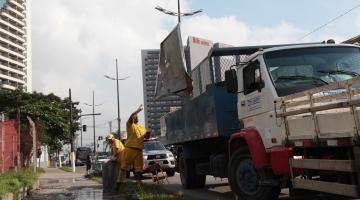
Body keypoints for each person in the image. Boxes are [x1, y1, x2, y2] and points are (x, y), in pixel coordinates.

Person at [119, 104, 150, 186]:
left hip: (139, 150)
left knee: (138, 169)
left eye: (137, 116)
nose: (136, 117)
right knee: (124, 166)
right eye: (134, 116)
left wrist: (147, 134)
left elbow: (146, 137)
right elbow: (131, 116)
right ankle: (119, 182)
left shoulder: (142, 128)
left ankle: (138, 184)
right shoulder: (129, 125)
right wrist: (138, 110)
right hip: (130, 149)